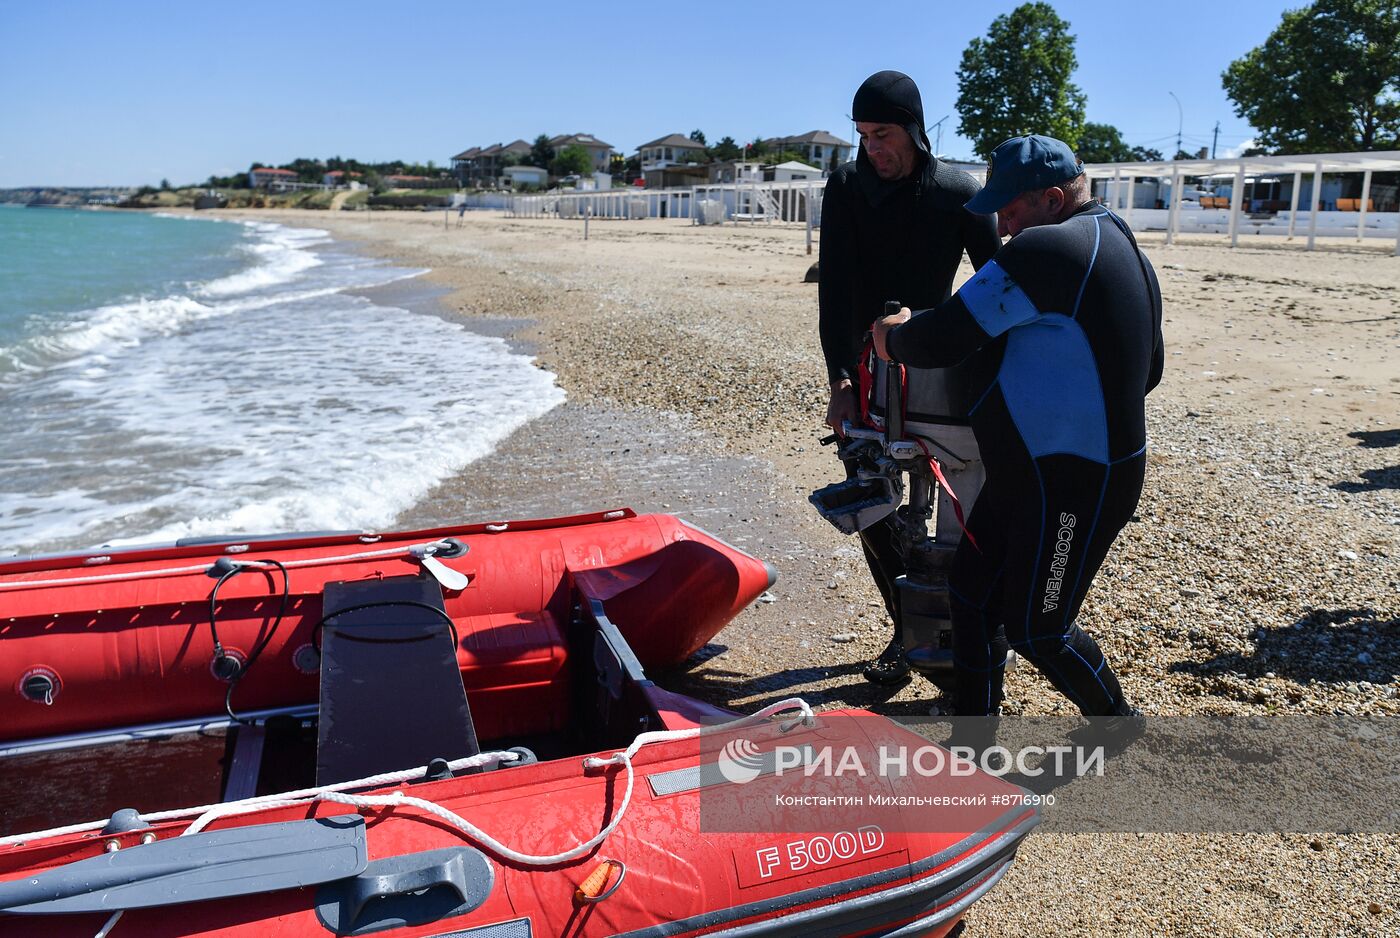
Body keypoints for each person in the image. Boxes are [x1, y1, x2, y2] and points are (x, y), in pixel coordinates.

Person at [872, 134, 1164, 719]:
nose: (1001, 228)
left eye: (1010, 210)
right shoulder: (1118, 238)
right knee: (971, 595)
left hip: (1074, 481)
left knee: (1037, 629)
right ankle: (976, 730)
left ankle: (1118, 726)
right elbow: (1150, 366)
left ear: (1053, 199)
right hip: (1031, 473)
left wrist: (891, 335)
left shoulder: (1047, 252)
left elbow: (943, 336)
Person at [819, 70, 1001, 684]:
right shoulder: (845, 186)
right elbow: (835, 292)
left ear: (915, 130)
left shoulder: (955, 189)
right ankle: (905, 633)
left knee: (949, 511)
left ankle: (957, 635)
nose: (874, 149)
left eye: (885, 134)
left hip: (936, 373)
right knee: (876, 510)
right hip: (865, 375)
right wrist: (839, 380)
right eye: (864, 135)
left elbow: (996, 282)